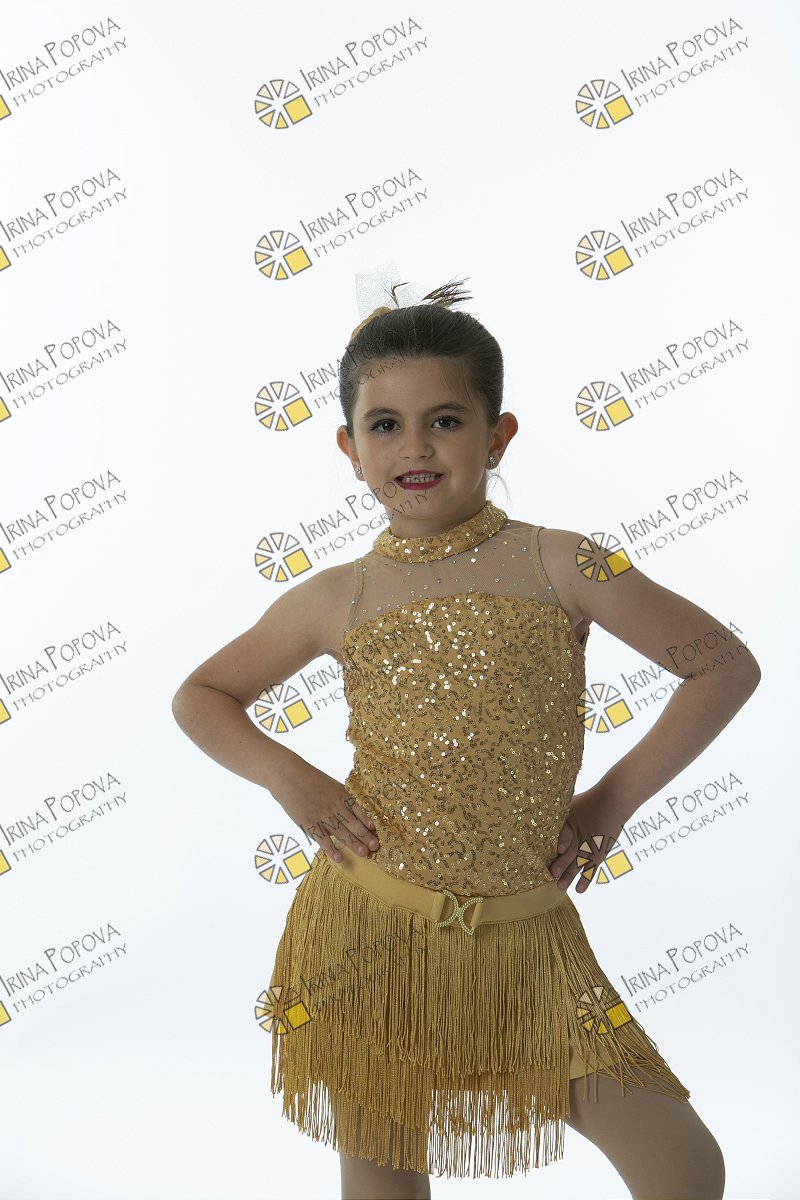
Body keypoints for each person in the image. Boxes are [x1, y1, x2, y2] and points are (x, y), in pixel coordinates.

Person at [172, 278, 759, 1199]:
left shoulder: (567, 562)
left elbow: (722, 666)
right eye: (385, 425)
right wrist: (292, 779)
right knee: (384, 1182)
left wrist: (609, 802)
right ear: (349, 448)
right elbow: (202, 695)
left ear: (498, 435)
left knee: (681, 1165)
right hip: (368, 935)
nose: (415, 447)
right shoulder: (334, 596)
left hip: (527, 940)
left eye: (445, 421)